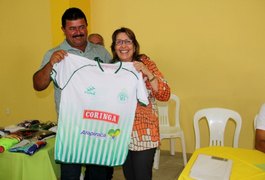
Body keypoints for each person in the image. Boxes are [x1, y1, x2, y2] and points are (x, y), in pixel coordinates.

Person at [33, 7, 113, 180]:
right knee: (70, 175)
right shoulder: (54, 54)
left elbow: (113, 83)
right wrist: (51, 64)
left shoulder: (101, 52)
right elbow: (38, 85)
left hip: (97, 125)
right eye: (72, 28)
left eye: (81, 27)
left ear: (87, 26)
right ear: (63, 30)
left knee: (98, 174)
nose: (78, 32)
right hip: (70, 128)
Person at [110, 27, 171, 180]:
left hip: (144, 132)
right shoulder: (111, 69)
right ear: (114, 47)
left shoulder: (145, 63)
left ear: (135, 45)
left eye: (127, 41)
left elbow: (164, 94)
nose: (123, 46)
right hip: (120, 132)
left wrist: (146, 71)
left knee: (142, 175)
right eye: (119, 42)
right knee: (129, 175)